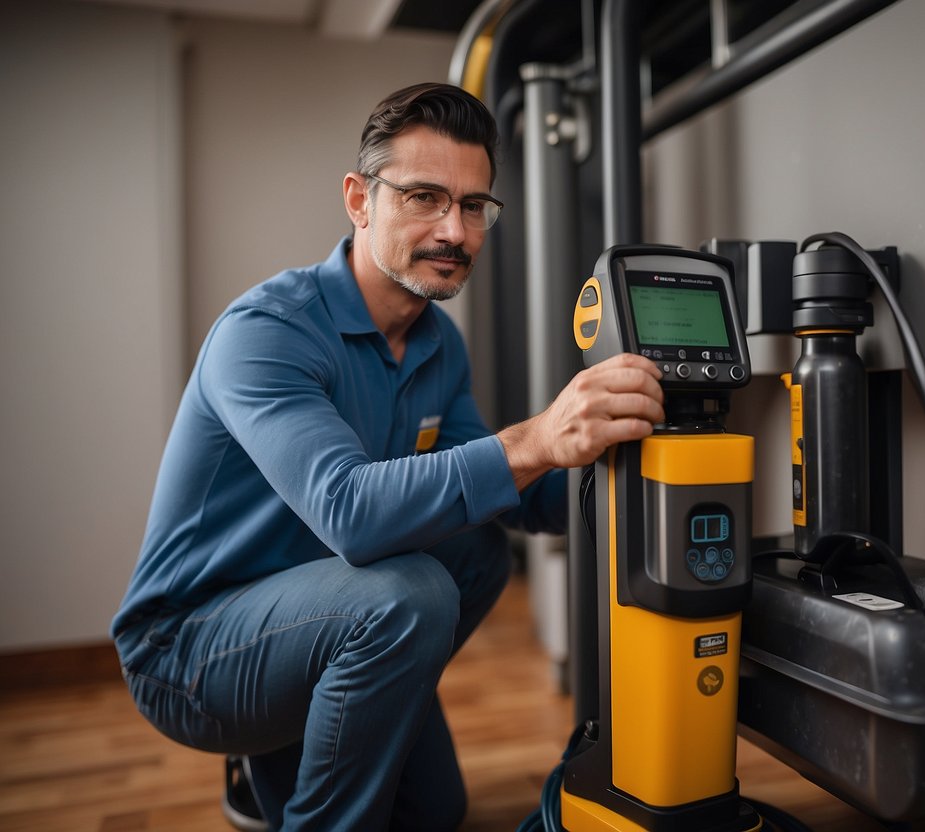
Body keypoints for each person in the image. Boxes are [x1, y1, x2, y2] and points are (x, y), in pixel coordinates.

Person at [111, 81, 664, 831]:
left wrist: (625, 460)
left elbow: (507, 490)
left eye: (473, 207)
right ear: (359, 200)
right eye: (425, 197)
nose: (455, 231)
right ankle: (278, 762)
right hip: (190, 650)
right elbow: (350, 512)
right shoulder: (267, 333)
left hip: (320, 611)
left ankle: (321, 718)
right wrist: (535, 436)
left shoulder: (437, 344)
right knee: (411, 594)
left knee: (474, 566)